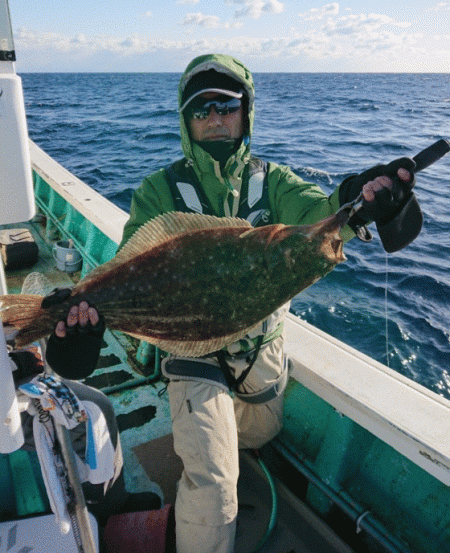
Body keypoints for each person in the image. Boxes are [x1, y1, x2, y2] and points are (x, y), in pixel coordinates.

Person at [117, 53, 416, 553]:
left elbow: (321, 214)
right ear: (186, 121)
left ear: (246, 112)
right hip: (193, 348)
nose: (215, 117)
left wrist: (359, 198)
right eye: (201, 108)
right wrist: (87, 311)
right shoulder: (159, 191)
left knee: (257, 434)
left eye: (227, 106)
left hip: (261, 348)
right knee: (215, 487)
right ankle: (199, 485)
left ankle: (210, 441)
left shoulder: (272, 181)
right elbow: (130, 261)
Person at [9, 300, 160, 527]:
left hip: (10, 375)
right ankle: (103, 507)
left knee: (96, 403)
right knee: (92, 413)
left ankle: (109, 496)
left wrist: (21, 352)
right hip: (7, 398)